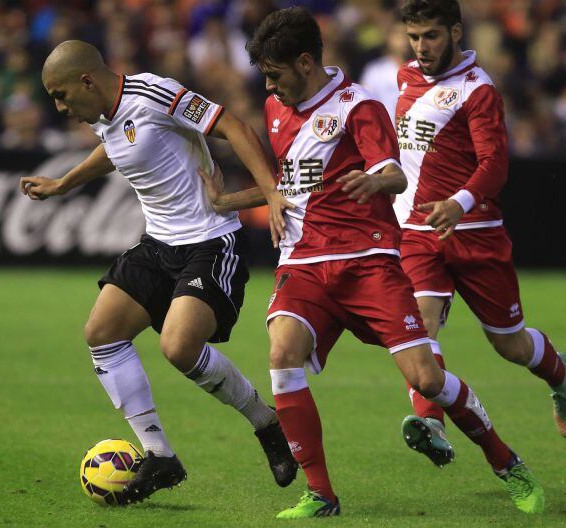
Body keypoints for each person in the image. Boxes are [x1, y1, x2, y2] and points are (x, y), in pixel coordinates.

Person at [199, 7, 544, 517]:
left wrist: (373, 181)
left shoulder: (358, 106)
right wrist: (238, 200)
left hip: (368, 263)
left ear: (305, 62)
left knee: (427, 380)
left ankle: (505, 460)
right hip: (305, 262)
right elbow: (288, 185)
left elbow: (394, 173)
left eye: (275, 75)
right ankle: (321, 494)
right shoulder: (275, 110)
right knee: (281, 356)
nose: (270, 86)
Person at [18, 40, 297, 505]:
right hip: (158, 244)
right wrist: (63, 183)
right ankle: (159, 455)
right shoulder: (106, 118)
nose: (60, 107)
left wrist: (270, 192)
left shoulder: (155, 93)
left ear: (86, 80)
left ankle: (266, 424)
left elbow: (233, 126)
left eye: (60, 95)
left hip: (210, 241)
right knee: (102, 333)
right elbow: (115, 150)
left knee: (178, 346)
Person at [392, 0, 566, 469]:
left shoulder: (478, 91)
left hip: (475, 232)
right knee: (418, 323)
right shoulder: (405, 77)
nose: (421, 48)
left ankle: (561, 377)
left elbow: (494, 165)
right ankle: (431, 420)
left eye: (431, 36)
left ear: (455, 32)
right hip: (417, 230)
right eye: (414, 37)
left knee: (509, 343)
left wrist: (457, 204)